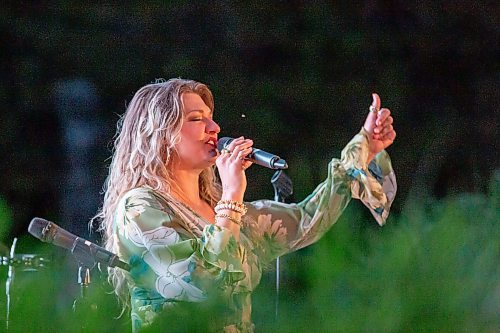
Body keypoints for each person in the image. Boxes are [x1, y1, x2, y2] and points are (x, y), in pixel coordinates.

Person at [95, 78, 397, 332]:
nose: (214, 127)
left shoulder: (226, 211)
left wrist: (365, 145)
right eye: (196, 119)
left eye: (211, 117)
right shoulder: (138, 208)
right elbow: (204, 284)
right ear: (159, 134)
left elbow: (308, 219)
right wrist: (232, 194)